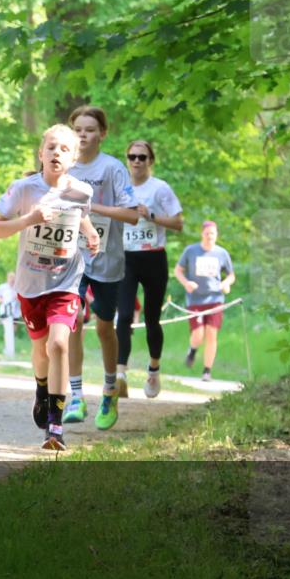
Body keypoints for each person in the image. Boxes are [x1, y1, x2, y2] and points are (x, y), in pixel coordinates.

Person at [0, 124, 100, 451]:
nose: (56, 153)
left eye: (64, 149)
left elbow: (80, 214)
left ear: (74, 158)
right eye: (51, 147)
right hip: (30, 284)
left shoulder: (82, 192)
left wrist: (91, 232)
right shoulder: (23, 189)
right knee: (41, 350)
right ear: (41, 154)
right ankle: (41, 389)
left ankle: (55, 427)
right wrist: (30, 219)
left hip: (66, 282)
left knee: (59, 346)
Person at [63, 106, 139, 430]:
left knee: (105, 328)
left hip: (107, 259)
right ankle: (76, 395)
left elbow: (133, 214)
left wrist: (92, 208)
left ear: (102, 134)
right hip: (70, 258)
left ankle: (109, 390)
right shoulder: (62, 165)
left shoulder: (113, 168)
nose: (83, 134)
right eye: (77, 128)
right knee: (73, 320)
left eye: (90, 129)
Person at [115, 141, 184, 398]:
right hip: (126, 258)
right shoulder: (120, 188)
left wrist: (150, 216)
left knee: (151, 318)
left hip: (154, 258)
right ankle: (120, 374)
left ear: (150, 161)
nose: (136, 161)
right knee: (123, 315)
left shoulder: (160, 188)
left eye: (142, 157)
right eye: (132, 156)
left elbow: (178, 223)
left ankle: (154, 370)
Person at [175, 221, 235, 382]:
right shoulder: (191, 251)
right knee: (198, 334)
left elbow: (231, 275)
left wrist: (226, 283)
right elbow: (178, 270)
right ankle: (193, 350)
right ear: (202, 234)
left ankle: (207, 371)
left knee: (211, 334)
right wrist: (186, 283)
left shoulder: (222, 253)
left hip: (215, 299)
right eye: (207, 233)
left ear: (217, 235)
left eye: (213, 233)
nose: (210, 236)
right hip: (195, 299)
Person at [0, 271, 19, 358]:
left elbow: (21, 298)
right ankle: (7, 348)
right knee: (7, 329)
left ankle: (10, 348)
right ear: (8, 278)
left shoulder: (17, 288)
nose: (12, 280)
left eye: (14, 278)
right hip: (4, 312)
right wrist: (1, 301)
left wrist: (17, 298)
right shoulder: (3, 287)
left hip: (15, 313)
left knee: (13, 330)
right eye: (11, 278)